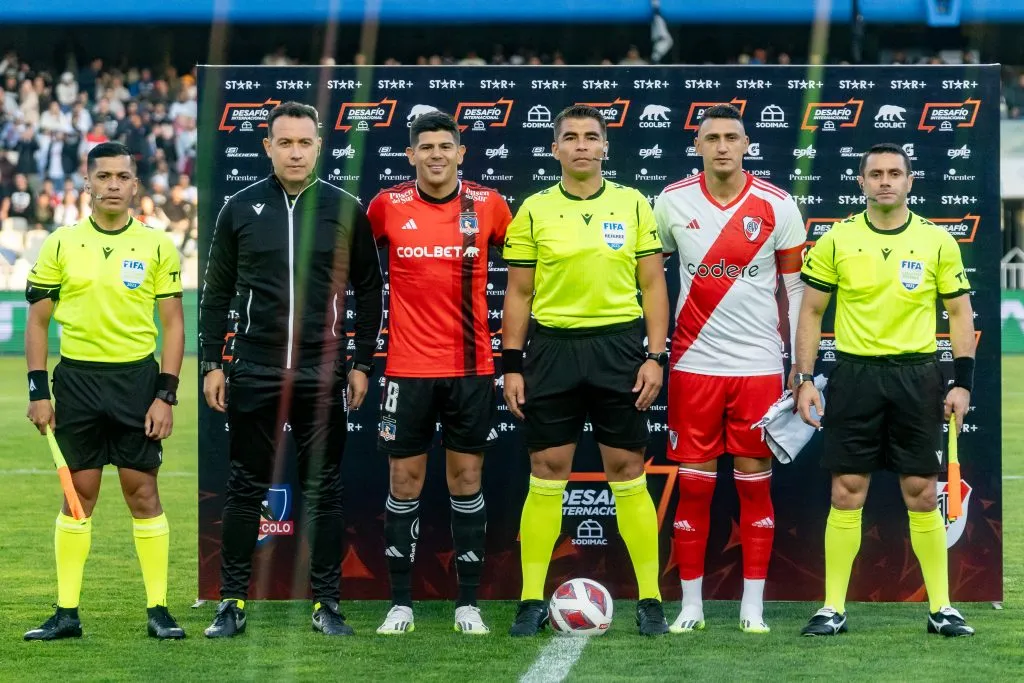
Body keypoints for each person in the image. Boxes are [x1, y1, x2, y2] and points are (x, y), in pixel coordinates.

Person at [199, 101, 384, 638]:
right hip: (253, 370)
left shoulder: (345, 208)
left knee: (323, 492)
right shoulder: (239, 208)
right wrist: (213, 362)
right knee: (243, 488)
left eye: (305, 143)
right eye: (285, 143)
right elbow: (216, 293)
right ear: (269, 147)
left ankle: (326, 604)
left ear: (319, 147)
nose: (296, 152)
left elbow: (369, 292)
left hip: (322, 374)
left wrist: (363, 364)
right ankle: (231, 602)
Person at [502, 105, 670, 636]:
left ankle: (650, 599)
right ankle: (531, 599)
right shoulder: (532, 210)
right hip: (552, 352)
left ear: (604, 147)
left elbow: (653, 287)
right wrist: (512, 363)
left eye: (590, 137)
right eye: (569, 137)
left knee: (627, 473)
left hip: (619, 349)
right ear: (555, 149)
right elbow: (520, 292)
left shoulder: (634, 204)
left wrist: (655, 355)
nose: (580, 145)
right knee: (547, 473)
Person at [795, 143, 976, 638]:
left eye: (895, 173)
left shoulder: (938, 241)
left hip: (917, 377)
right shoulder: (836, 239)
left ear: (910, 181)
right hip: (855, 376)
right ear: (861, 181)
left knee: (921, 492)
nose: (885, 181)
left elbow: (959, 314)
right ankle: (832, 607)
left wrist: (962, 383)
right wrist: (805, 377)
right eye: (875, 173)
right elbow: (811, 312)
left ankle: (942, 607)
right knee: (846, 492)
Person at [23, 141, 185, 640]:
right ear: (87, 183)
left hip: (136, 382)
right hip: (77, 383)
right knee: (78, 497)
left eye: (122, 176)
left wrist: (166, 394)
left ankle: (158, 609)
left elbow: (174, 324)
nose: (113, 184)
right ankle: (66, 612)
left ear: (136, 185)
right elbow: (37, 319)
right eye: (104, 176)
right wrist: (38, 389)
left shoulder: (157, 244)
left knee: (144, 493)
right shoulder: (61, 243)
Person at [653, 104, 806, 634]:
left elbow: (795, 292)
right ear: (697, 145)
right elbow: (652, 279)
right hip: (693, 365)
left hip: (760, 368)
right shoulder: (670, 203)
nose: (722, 146)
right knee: (694, 488)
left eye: (731, 137)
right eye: (711, 137)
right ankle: (691, 606)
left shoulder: (778, 206)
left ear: (746, 145)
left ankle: (752, 607)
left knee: (754, 487)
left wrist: (798, 367)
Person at [366, 111, 512, 635]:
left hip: (472, 369)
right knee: (404, 482)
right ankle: (400, 603)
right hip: (406, 369)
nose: (435, 155)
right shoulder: (387, 207)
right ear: (410, 155)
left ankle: (466, 604)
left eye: (444, 146)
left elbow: (523, 281)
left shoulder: (490, 206)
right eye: (425, 147)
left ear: (460, 152)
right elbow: (359, 277)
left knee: (466, 479)